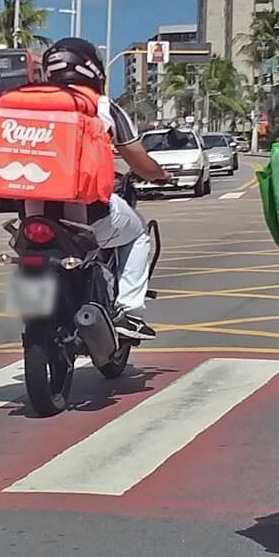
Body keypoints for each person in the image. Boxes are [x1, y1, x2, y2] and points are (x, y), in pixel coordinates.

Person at [38, 38, 169, 340]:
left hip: (32, 218)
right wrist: (160, 175)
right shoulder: (102, 106)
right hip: (88, 217)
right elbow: (139, 162)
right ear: (93, 69)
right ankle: (130, 312)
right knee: (138, 233)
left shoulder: (23, 105)